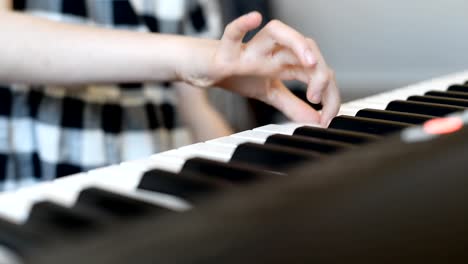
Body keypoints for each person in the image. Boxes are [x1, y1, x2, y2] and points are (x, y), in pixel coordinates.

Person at [0, 8, 340, 190]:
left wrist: (252, 186)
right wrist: (189, 55)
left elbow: (194, 109)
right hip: (46, 196)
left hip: (161, 186)